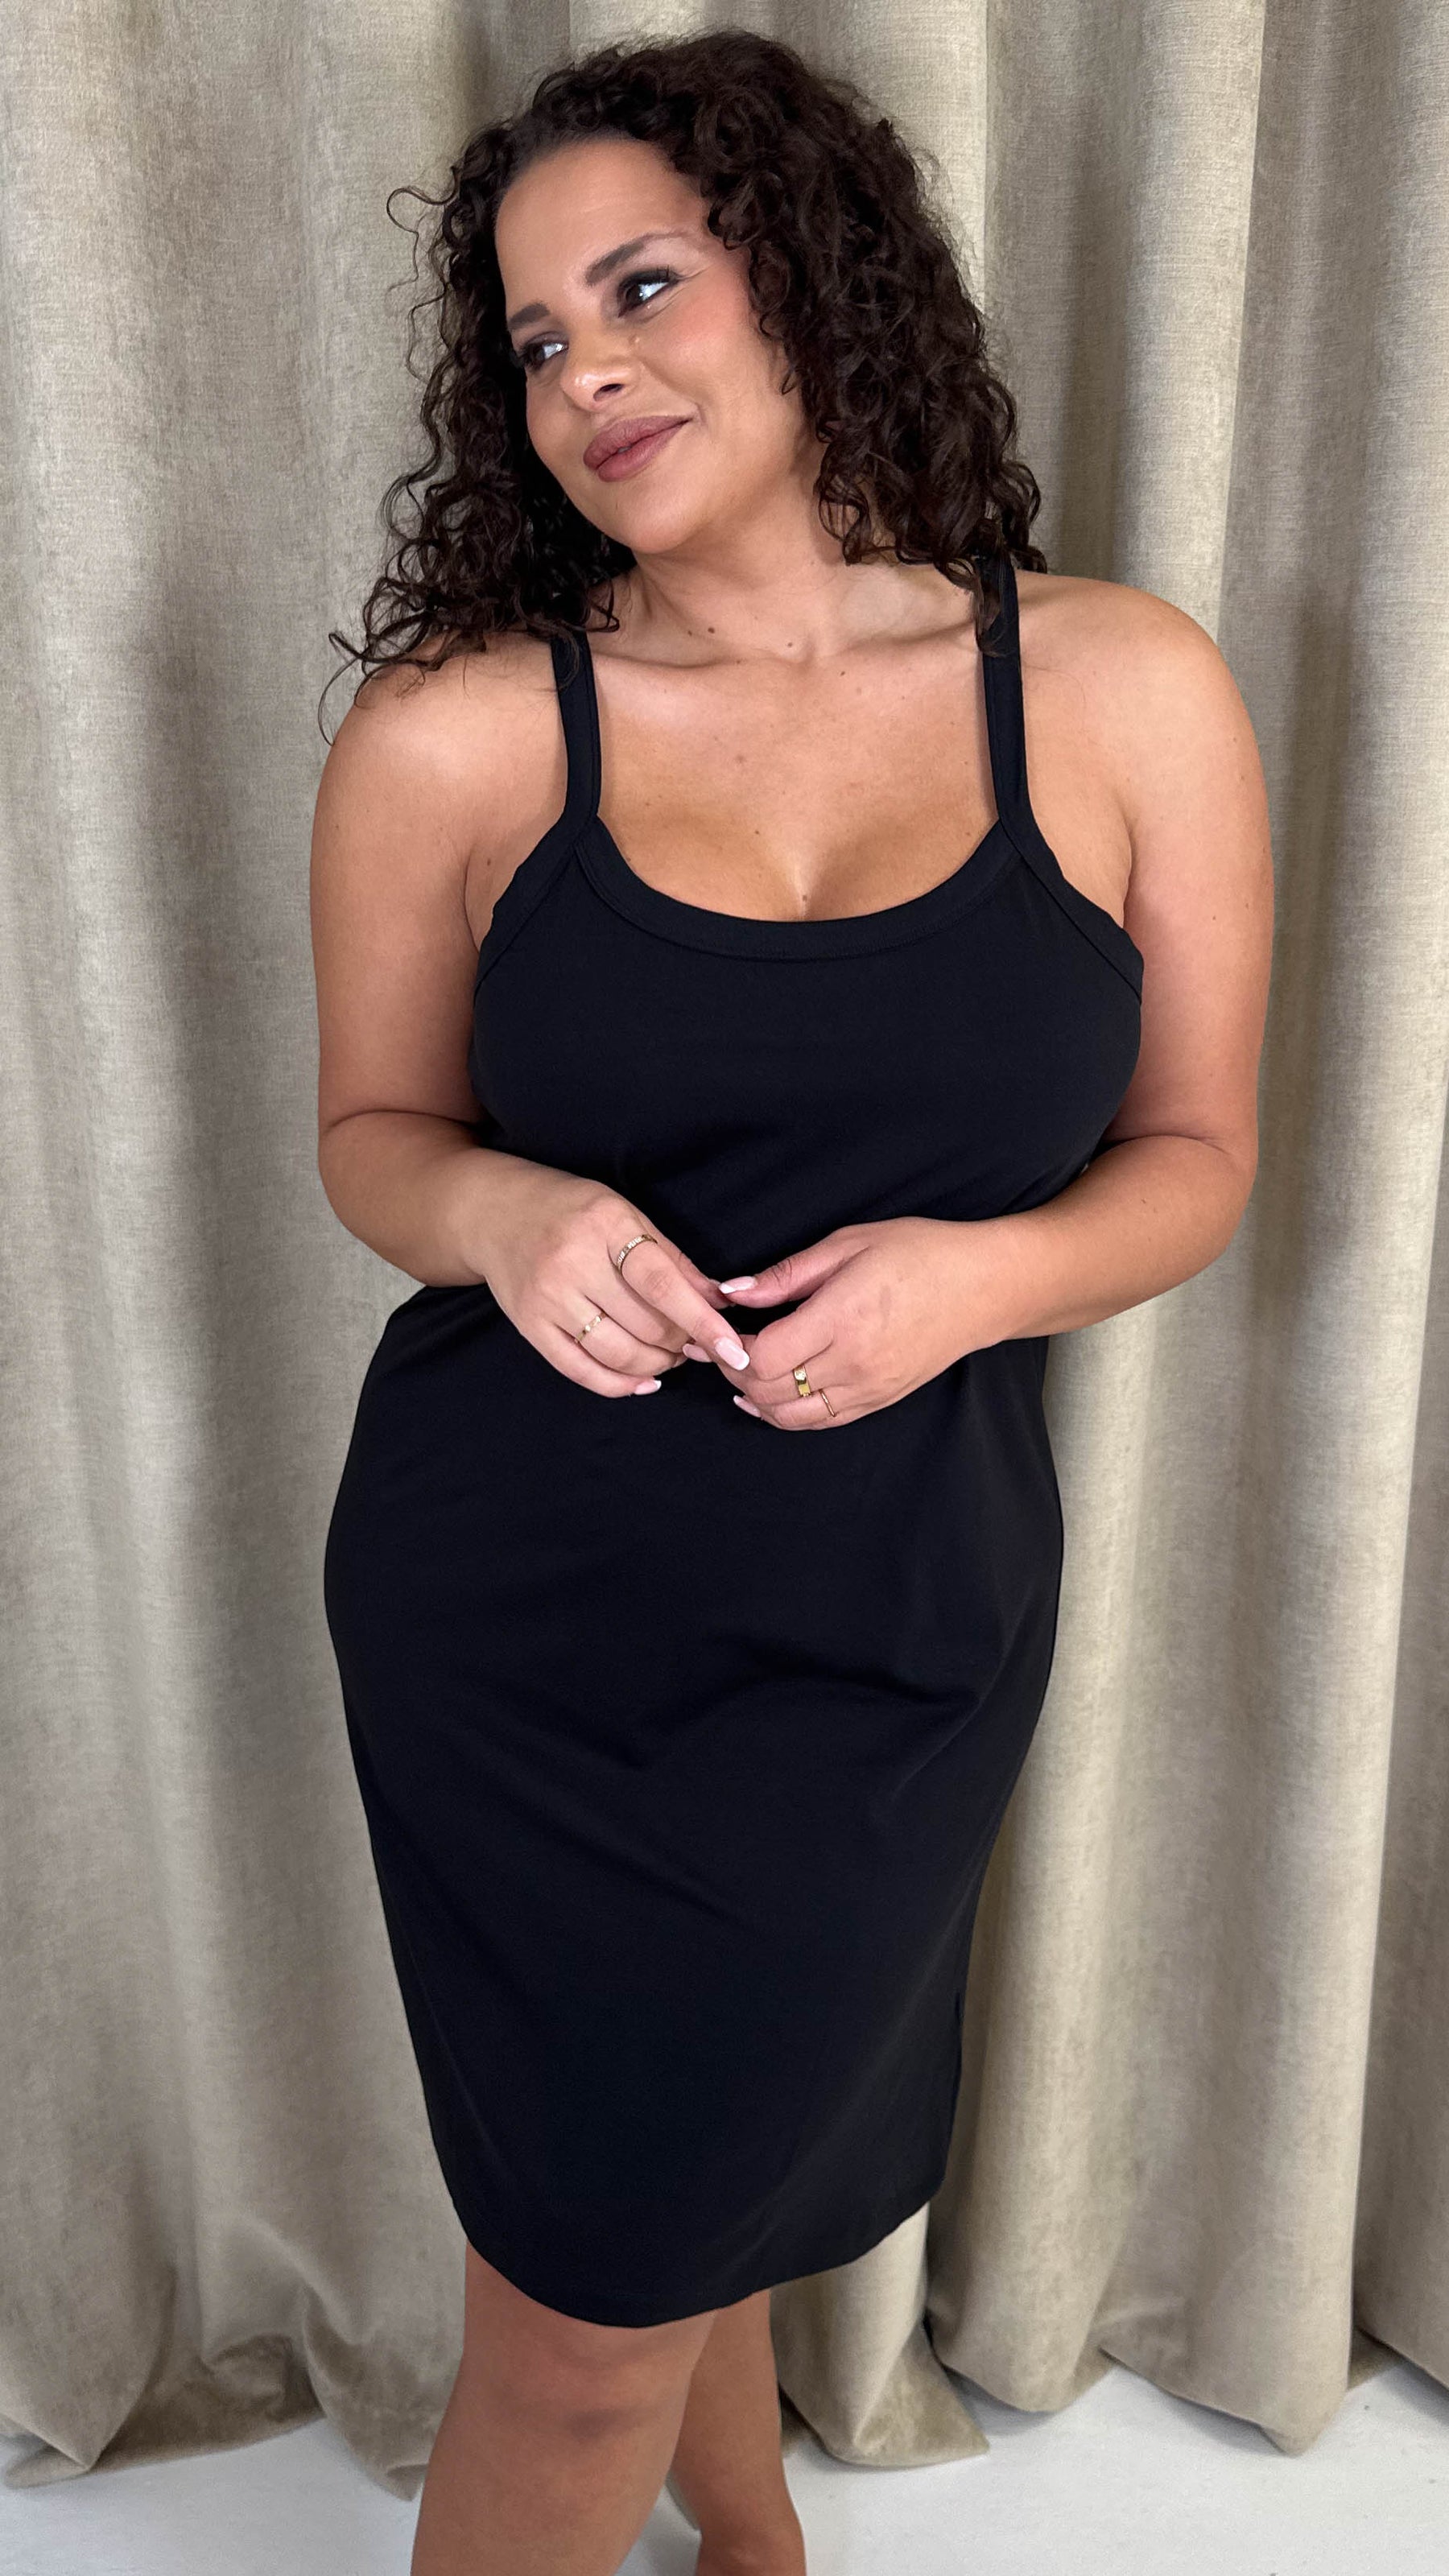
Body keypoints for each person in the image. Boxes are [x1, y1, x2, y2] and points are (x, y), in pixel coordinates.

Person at [312, 27, 1272, 2576]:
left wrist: (984, 1279)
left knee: (699, 2176)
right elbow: (373, 1137)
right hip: (519, 1610)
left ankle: (755, 2546)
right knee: (578, 2318)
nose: (588, 373)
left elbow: (1197, 1161)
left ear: (817, 278)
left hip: (893, 1609)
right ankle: (746, 2542)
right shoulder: (457, 739)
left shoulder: (1124, 688)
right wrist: (505, 1216)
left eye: (643, 288)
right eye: (535, 339)